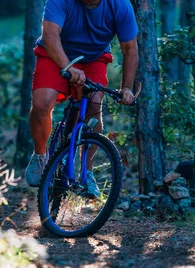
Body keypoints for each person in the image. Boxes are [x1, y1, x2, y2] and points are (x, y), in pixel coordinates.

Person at [24, 0, 139, 191]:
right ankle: (40, 156)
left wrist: (126, 87)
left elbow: (130, 49)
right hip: (54, 54)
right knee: (42, 104)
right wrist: (68, 66)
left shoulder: (120, 5)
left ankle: (88, 174)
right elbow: (50, 36)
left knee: (94, 103)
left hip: (93, 58)